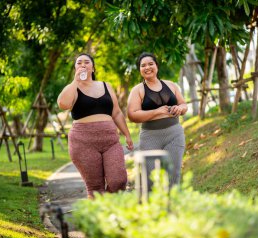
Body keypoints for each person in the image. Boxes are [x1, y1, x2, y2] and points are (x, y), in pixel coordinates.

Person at [57, 53, 134, 199]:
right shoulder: (72, 88)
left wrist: (127, 135)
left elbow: (116, 113)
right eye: (79, 63)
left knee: (118, 181)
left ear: (93, 68)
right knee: (95, 188)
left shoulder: (106, 86)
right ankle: (101, 218)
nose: (83, 65)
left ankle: (109, 208)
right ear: (75, 68)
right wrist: (75, 81)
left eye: (87, 62)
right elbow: (63, 104)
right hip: (83, 142)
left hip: (110, 141)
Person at [127, 52, 188, 184]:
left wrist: (180, 108)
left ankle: (172, 203)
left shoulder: (171, 85)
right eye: (143, 65)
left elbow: (183, 104)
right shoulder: (137, 90)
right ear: (140, 70)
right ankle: (152, 204)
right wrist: (156, 112)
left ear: (157, 66)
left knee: (173, 174)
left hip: (174, 134)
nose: (147, 67)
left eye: (151, 64)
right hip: (150, 137)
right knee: (150, 178)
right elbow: (132, 115)